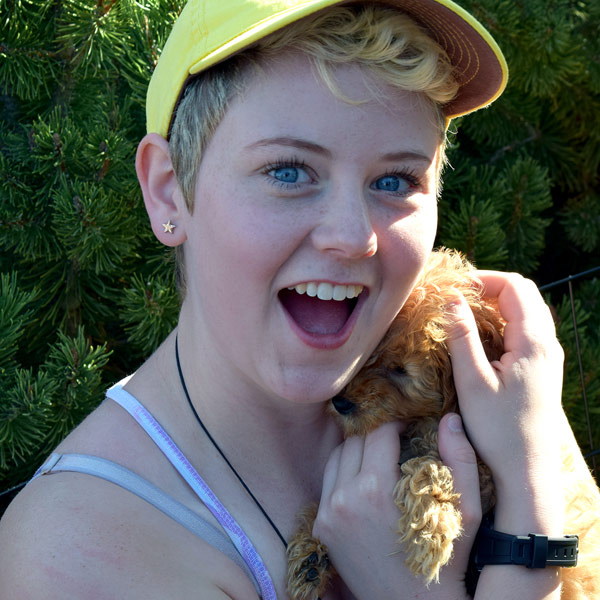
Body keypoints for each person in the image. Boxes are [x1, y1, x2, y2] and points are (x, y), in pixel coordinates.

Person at [0, 1, 594, 598]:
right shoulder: (79, 553)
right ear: (168, 190)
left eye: (395, 181)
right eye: (289, 171)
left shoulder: (489, 400)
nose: (351, 235)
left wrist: (528, 468)